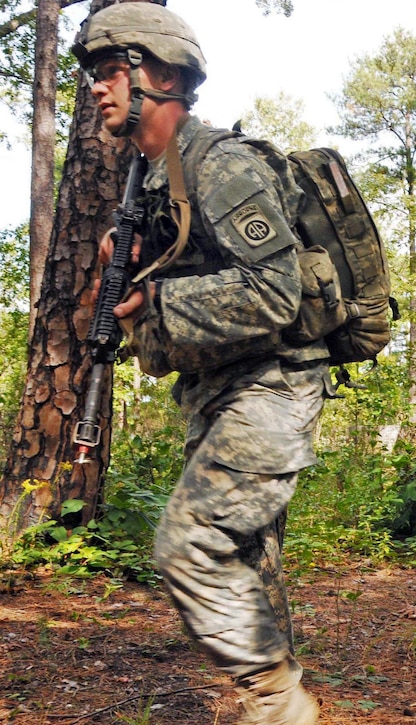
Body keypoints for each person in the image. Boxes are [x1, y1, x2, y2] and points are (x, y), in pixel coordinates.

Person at [73, 5, 329, 724]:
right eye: (95, 75)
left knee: (190, 541)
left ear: (165, 75)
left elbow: (275, 293)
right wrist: (118, 280)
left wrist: (154, 294)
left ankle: (278, 702)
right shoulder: (152, 183)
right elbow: (155, 309)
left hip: (273, 385)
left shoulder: (221, 165)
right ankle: (270, 702)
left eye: (112, 72)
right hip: (219, 390)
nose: (99, 88)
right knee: (247, 557)